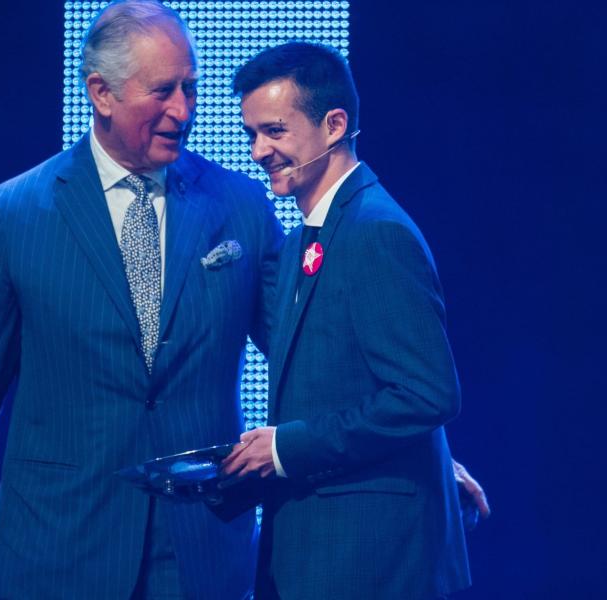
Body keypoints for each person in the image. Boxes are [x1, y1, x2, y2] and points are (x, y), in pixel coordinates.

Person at [0, 2, 281, 599]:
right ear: (101, 93)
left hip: (199, 551)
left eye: (191, 88)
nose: (183, 110)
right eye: (162, 90)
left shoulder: (240, 204)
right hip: (58, 548)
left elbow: (305, 351)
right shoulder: (18, 213)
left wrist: (407, 446)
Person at [221, 42, 473, 599]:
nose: (260, 150)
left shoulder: (376, 231)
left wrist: (286, 447)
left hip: (373, 562)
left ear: (334, 125)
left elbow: (428, 393)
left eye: (275, 132)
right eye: (252, 135)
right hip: (321, 556)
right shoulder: (303, 241)